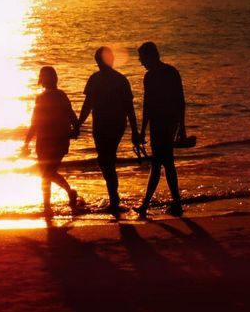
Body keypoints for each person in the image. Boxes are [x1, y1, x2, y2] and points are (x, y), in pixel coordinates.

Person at [77, 46, 138, 216]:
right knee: (105, 161)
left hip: (112, 125)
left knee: (106, 160)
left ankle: (114, 199)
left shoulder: (112, 80)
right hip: (106, 124)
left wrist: (135, 131)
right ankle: (114, 197)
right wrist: (78, 124)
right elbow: (87, 105)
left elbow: (128, 107)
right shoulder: (111, 79)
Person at [134, 41, 186, 218]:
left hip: (164, 124)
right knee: (166, 162)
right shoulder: (166, 73)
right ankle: (175, 203)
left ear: (150, 56)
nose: (141, 62)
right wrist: (142, 131)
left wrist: (182, 128)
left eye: (142, 58)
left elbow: (178, 101)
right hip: (165, 123)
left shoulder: (164, 74)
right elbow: (150, 105)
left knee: (158, 163)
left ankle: (146, 205)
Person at [22, 66, 80, 218]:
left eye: (46, 76)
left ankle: (49, 206)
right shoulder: (40, 98)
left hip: (58, 140)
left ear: (52, 78)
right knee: (47, 174)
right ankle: (64, 196)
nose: (44, 79)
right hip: (44, 141)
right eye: (42, 76)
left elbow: (71, 115)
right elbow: (34, 122)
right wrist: (26, 142)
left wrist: (76, 129)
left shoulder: (60, 95)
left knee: (48, 173)